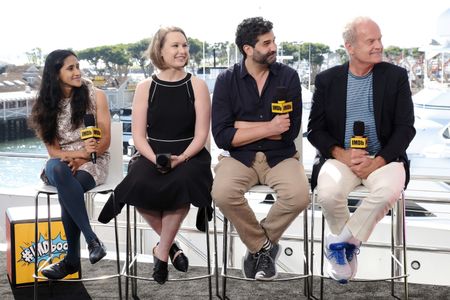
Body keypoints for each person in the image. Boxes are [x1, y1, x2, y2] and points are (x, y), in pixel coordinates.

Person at [98, 26, 213, 284]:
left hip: (190, 155)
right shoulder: (144, 87)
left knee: (183, 181)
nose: (182, 51)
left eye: (185, 45)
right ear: (160, 50)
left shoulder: (198, 85)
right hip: (152, 153)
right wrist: (156, 159)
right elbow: (139, 137)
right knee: (138, 183)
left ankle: (161, 252)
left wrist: (180, 158)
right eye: (175, 46)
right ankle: (171, 247)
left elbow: (201, 136)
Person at [307, 17, 416, 283]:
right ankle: (348, 247)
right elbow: (314, 130)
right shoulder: (327, 80)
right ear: (350, 47)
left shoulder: (396, 77)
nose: (379, 45)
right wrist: (341, 154)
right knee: (329, 193)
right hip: (340, 158)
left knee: (388, 191)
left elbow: (406, 128)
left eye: (379, 39)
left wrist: (378, 161)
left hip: (385, 158)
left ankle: (342, 243)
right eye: (371, 41)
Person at [211, 17, 309, 281]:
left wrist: (242, 128)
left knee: (300, 196)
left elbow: (289, 130)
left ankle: (257, 247)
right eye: (266, 43)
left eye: (273, 40)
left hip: (280, 156)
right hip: (240, 158)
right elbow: (222, 136)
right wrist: (268, 127)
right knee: (222, 193)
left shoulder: (288, 77)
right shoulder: (226, 80)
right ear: (248, 49)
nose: (273, 47)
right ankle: (264, 248)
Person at [29, 49, 111, 279]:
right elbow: (53, 151)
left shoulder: (96, 95)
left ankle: (71, 260)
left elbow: (105, 141)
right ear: (56, 74)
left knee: (67, 186)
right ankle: (92, 240)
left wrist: (82, 157)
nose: (78, 72)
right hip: (62, 162)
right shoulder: (44, 105)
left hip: (93, 161)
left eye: (78, 66)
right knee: (57, 169)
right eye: (70, 68)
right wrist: (74, 156)